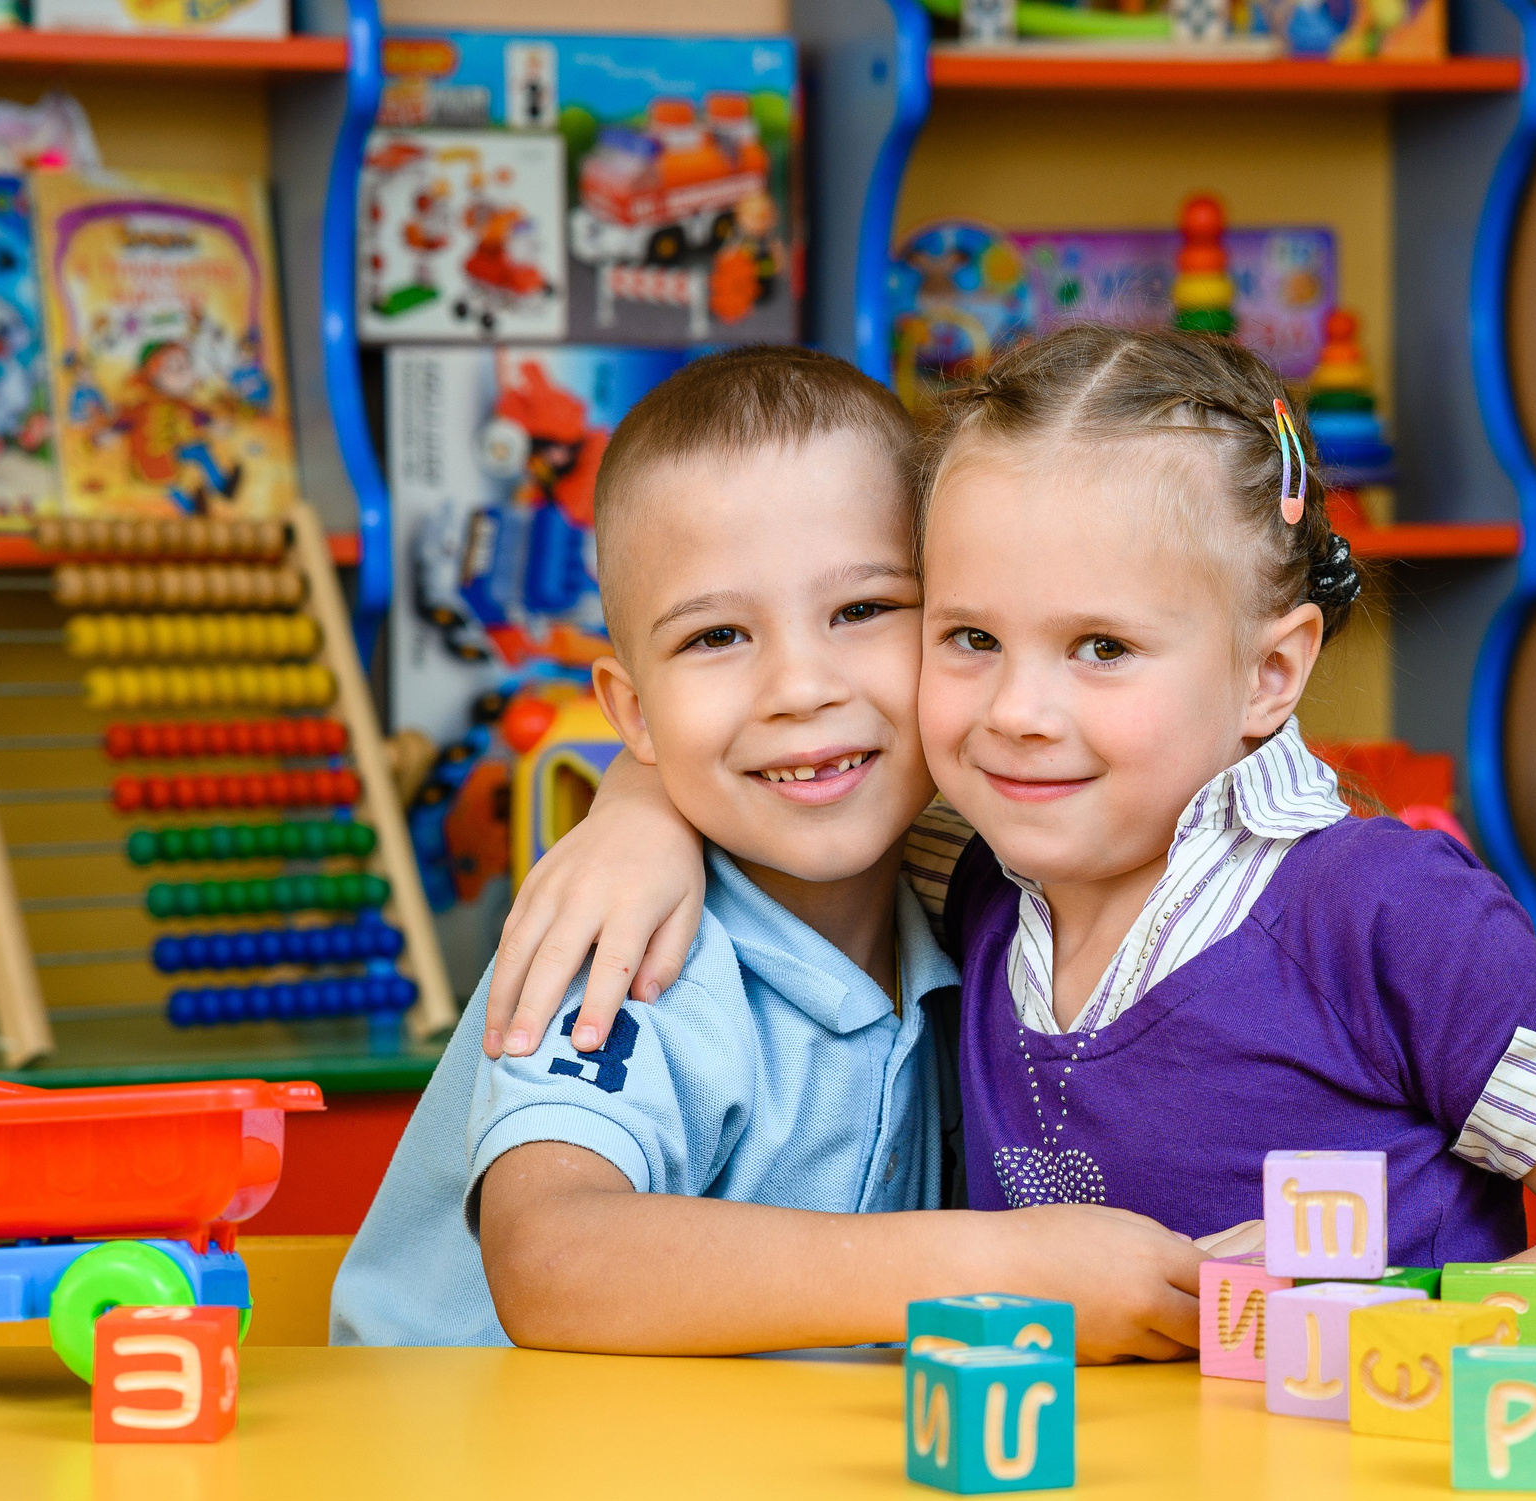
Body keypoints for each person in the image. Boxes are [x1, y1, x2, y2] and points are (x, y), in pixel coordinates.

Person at [480, 326, 1536, 1352]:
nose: (1019, 713)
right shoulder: (981, 868)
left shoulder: (1388, 914)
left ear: (1271, 674)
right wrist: (638, 800)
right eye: (971, 638)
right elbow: (789, 778)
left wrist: (1416, 1337)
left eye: (1101, 647)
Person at [331, 345, 1203, 1359]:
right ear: (632, 712)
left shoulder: (978, 901)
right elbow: (555, 1258)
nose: (800, 686)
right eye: (714, 637)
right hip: (468, 1497)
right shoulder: (634, 944)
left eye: (864, 610)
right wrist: (995, 1270)